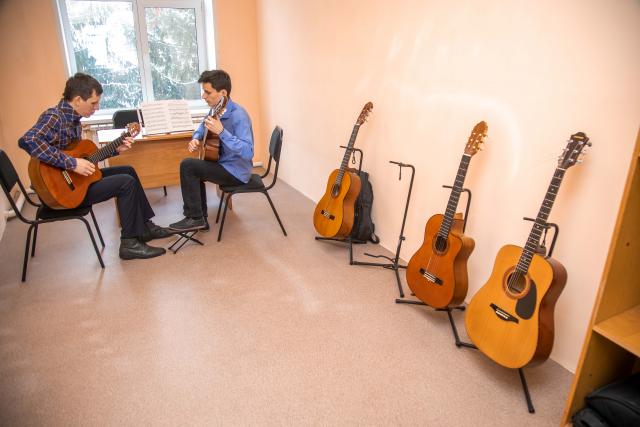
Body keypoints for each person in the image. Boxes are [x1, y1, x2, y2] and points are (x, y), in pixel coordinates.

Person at [19, 72, 172, 260]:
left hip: (76, 182)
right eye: (93, 103)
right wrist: (72, 163)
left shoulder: (74, 120)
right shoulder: (55, 117)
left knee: (128, 171)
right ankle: (130, 243)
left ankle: (145, 227)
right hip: (63, 192)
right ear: (77, 100)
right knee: (126, 183)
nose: (97, 108)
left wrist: (116, 149)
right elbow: (28, 140)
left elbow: (86, 158)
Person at [169, 70, 254, 231]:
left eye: (207, 92)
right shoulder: (216, 109)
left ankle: (195, 218)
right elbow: (203, 125)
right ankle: (200, 218)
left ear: (223, 93)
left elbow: (248, 152)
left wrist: (222, 132)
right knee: (194, 167)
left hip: (236, 171)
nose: (203, 96)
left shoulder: (239, 115)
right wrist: (196, 138)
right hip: (222, 162)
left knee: (188, 166)